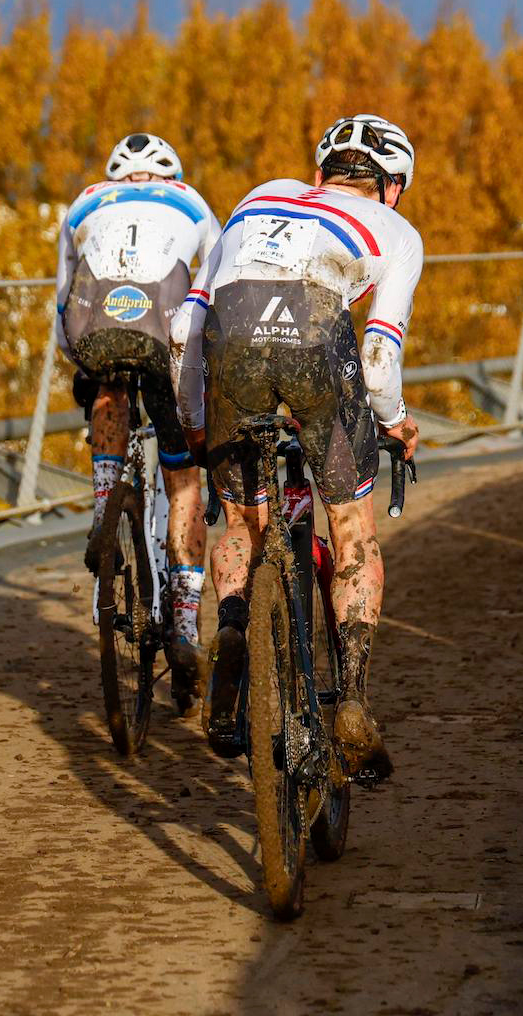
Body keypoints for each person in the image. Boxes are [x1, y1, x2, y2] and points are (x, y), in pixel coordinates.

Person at [172, 113, 422, 784]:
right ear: (393, 187)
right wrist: (395, 423)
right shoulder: (398, 231)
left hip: (234, 338)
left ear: (319, 173)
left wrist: (194, 419)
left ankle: (229, 628)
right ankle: (355, 703)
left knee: (241, 524)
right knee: (351, 530)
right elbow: (377, 357)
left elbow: (185, 325)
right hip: (317, 338)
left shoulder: (258, 196)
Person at [57, 132, 221, 702]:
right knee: (182, 483)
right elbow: (214, 286)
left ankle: (105, 506)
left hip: (95, 328)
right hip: (165, 331)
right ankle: (181, 624)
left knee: (107, 383)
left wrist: (75, 358)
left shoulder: (83, 202)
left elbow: (62, 299)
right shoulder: (193, 201)